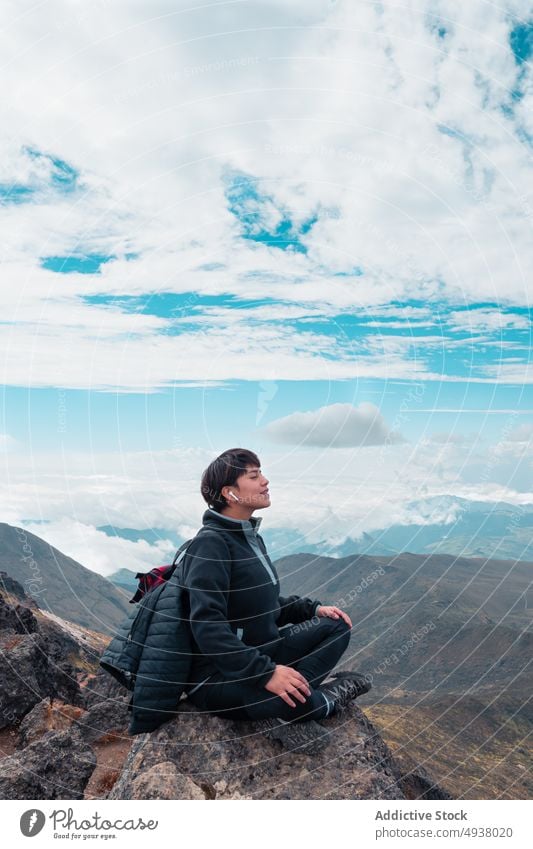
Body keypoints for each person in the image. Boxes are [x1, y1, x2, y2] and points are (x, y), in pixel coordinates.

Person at [182, 447, 371, 751]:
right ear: (230, 493)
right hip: (217, 676)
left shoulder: (250, 537)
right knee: (281, 697)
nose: (265, 481)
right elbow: (207, 627)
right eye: (255, 476)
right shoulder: (209, 546)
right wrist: (267, 673)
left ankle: (289, 698)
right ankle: (323, 701)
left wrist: (312, 609)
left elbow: (263, 604)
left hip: (261, 652)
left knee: (336, 626)